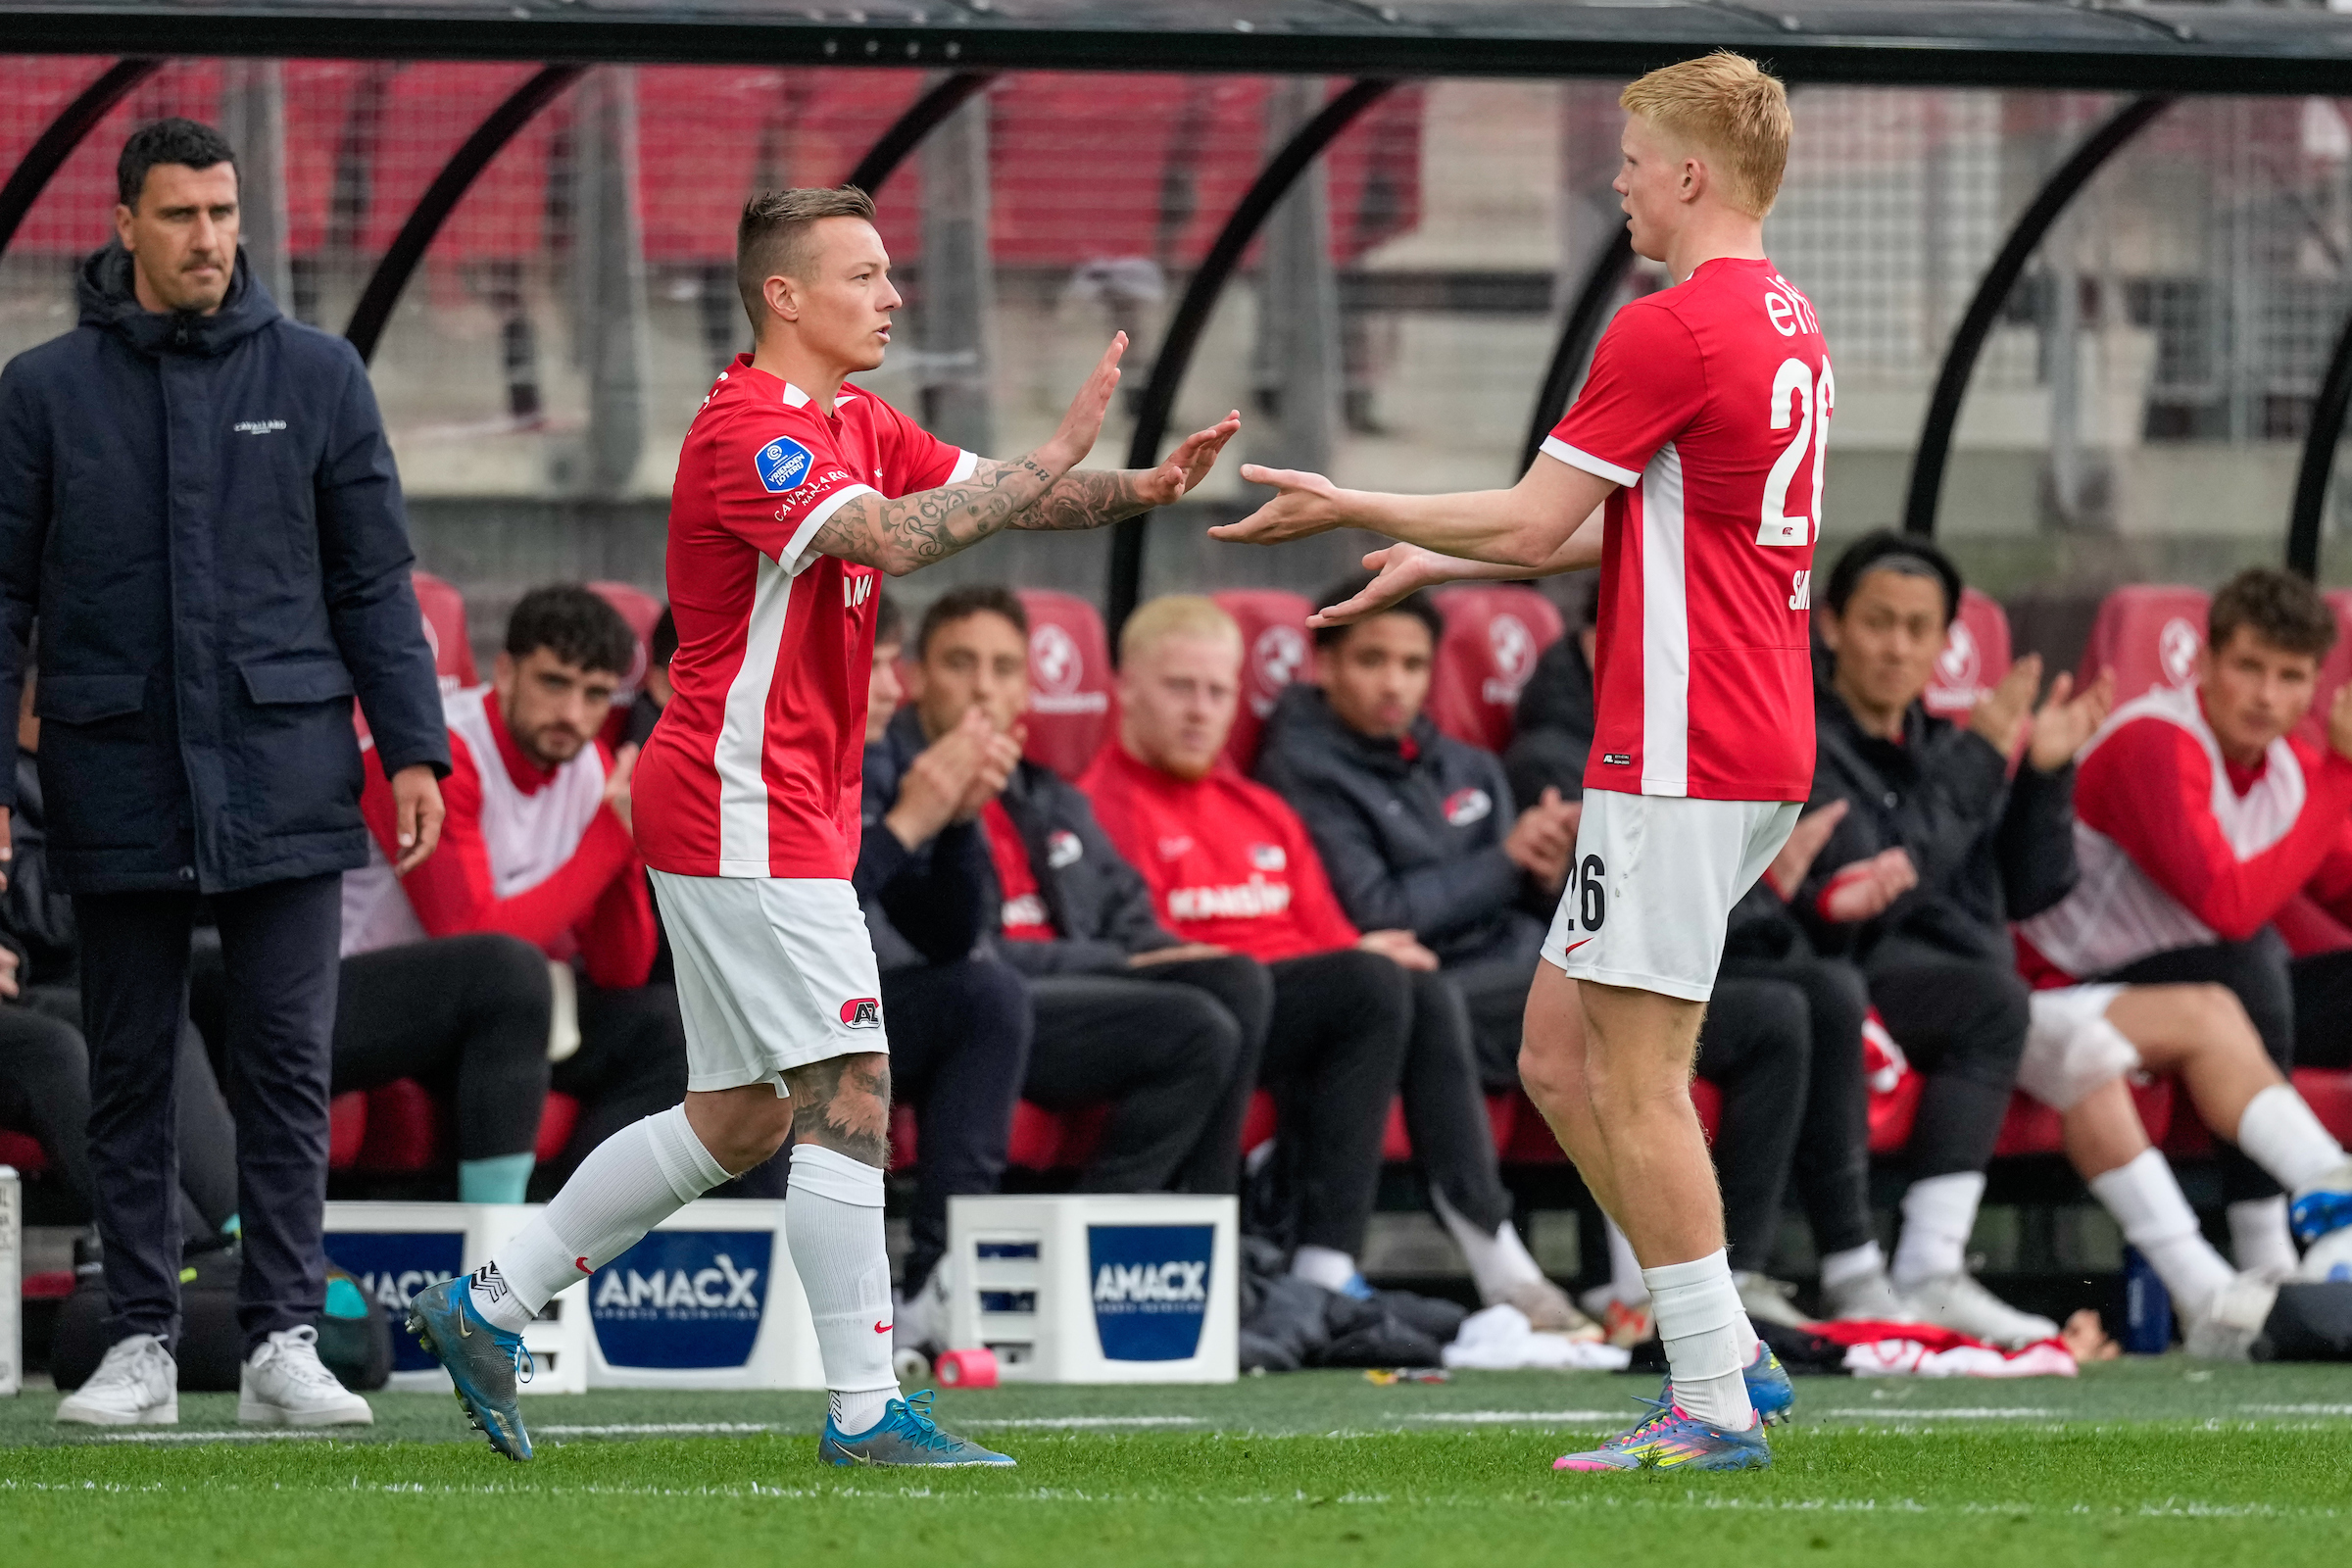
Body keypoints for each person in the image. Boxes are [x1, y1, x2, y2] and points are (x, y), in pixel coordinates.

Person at [405, 183, 1239, 1467]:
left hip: (772, 804)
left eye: (890, 273)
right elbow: (894, 538)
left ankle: (489, 1303)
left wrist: (1141, 484)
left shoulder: (853, 419)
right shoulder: (750, 432)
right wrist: (1056, 451)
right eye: (864, 276)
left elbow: (990, 497)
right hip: (739, 799)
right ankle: (864, 1408)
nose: (893, 296)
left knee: (740, 1114)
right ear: (783, 296)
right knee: (850, 1082)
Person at [1214, 53, 1816, 1468]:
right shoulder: (1785, 316)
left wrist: (1352, 501)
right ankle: (1728, 1342)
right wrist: (1436, 558)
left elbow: (1541, 520)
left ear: (1691, 174)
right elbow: (1641, 519)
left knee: (1637, 1078)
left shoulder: (1669, 325)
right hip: (1747, 733)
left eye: (1632, 160)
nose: (1616, 183)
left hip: (1682, 745)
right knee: (1556, 1053)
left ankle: (1712, 1397)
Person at [0, 119, 449, 1429]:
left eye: (223, 211)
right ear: (125, 224)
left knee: (288, 1063)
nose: (207, 237)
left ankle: (283, 1341)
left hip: (285, 764)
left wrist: (413, 747)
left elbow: (374, 581)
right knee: (130, 1063)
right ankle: (140, 1339)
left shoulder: (319, 374)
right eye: (180, 214)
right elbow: (3, 603)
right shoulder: (42, 392)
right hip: (115, 768)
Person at [1080, 596, 1587, 1331]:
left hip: (1295, 1009)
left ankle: (1340, 1262)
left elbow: (1332, 934)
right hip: (1201, 1016)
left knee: (1406, 982)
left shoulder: (1259, 808)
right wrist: (1353, 956)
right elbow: (1157, 953)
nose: (1200, 711)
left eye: (1217, 691)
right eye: (1179, 687)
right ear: (1124, 687)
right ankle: (1427, 1256)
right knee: (1373, 981)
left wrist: (1360, 953)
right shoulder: (1101, 807)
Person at [1494, 578, 1881, 1332]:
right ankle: (1711, 1304)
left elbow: (1536, 528)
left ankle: (1757, 1305)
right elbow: (1545, 530)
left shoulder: (1703, 704)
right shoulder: (1571, 743)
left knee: (1809, 997)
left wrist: (1794, 895)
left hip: (1697, 894)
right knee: (1578, 1060)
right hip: (1596, 944)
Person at [1800, 531, 2110, 1345]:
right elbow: (1879, 884)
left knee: (2067, 1032)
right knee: (1996, 1004)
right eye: (1878, 622)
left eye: (1918, 628)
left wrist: (2044, 775)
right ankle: (1928, 1269)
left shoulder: (1946, 743)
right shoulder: (1803, 740)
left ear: (1944, 642)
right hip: (1851, 973)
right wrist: (1981, 756)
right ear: (1832, 625)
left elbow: (2032, 888)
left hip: (1965, 982)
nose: (1897, 647)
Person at [2017, 565, 2352, 1283]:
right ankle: (2271, 1247)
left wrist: (2331, 782)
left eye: (2290, 677)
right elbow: (2228, 906)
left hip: (2191, 985)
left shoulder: (2292, 765)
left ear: (2315, 688)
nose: (2266, 696)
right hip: (2063, 983)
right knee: (2249, 956)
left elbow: (2341, 879)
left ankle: (2319, 1234)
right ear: (2203, 663)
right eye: (2248, 667)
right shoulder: (2156, 740)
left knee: (2259, 972)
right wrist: (2342, 777)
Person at [887, 588, 1258, 1202]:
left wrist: (1161, 954)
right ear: (918, 679)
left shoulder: (1046, 793)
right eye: (960, 664)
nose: (983, 688)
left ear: (1025, 691)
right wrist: (1118, 961)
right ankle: (1111, 1224)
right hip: (989, 1002)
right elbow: (954, 951)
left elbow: (1126, 910)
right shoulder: (894, 786)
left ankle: (1215, 1226)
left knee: (1232, 977)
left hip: (1076, 991)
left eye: (1004, 669)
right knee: (1197, 1029)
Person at [340, 585, 680, 1197]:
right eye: (554, 683)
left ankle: (578, 1226)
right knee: (509, 972)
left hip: (491, 1023)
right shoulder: (437, 752)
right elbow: (467, 938)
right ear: (504, 671)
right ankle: (497, 1240)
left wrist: (630, 850)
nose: (572, 714)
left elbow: (621, 970)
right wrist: (609, 841)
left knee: (666, 1028)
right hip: (356, 999)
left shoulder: (590, 768)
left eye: (595, 695)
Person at [853, 592, 1032, 1344]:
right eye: (873, 667)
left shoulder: (879, 754)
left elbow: (950, 938)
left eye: (893, 665)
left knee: (984, 997)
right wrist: (906, 826)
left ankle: (941, 1279)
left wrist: (955, 823)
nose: (893, 688)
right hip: (746, 1007)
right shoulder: (770, 754)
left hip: (853, 1005)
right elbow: (794, 920)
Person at [2016, 976, 2352, 1355]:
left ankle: (2335, 1190)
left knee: (2213, 1008)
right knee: (2083, 1047)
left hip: (2038, 986)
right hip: (1983, 996)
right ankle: (2206, 1298)